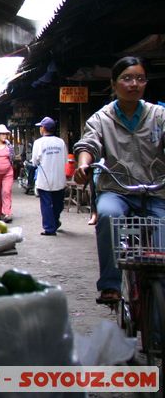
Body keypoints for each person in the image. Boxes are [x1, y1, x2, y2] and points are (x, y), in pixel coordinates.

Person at [73, 56, 165, 305]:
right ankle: (110, 285)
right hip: (117, 189)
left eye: (140, 78)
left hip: (155, 189)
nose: (134, 83)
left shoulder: (159, 115)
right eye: (127, 78)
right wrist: (83, 164)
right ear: (114, 84)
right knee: (108, 215)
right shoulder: (101, 119)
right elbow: (88, 144)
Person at [32, 116, 67, 236]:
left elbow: (34, 161)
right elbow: (65, 159)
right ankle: (55, 222)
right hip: (59, 178)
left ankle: (49, 228)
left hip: (44, 179)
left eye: (40, 127)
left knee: (46, 204)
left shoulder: (38, 143)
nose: (40, 129)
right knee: (58, 204)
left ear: (43, 128)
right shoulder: (61, 142)